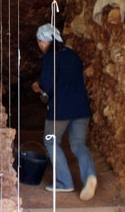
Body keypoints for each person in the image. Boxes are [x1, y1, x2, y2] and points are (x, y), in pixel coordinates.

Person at [31, 23, 98, 200]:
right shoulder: (73, 55)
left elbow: (46, 84)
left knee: (51, 141)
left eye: (39, 41)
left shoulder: (50, 57)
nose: (39, 45)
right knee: (78, 144)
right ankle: (90, 175)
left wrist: (36, 87)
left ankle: (64, 183)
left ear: (45, 41)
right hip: (81, 107)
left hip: (60, 109)